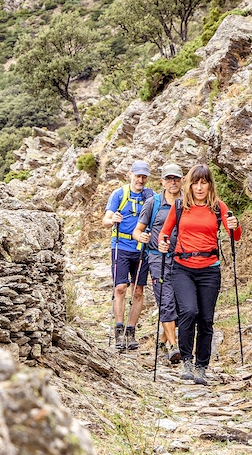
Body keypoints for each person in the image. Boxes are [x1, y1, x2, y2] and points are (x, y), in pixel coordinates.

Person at [157, 164, 241, 385]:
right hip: (182, 267)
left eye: (204, 182)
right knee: (188, 311)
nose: (200, 187)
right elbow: (164, 234)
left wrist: (235, 224)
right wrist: (163, 244)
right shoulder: (179, 206)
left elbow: (236, 235)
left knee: (205, 319)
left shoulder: (217, 207)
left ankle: (201, 367)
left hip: (209, 269)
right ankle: (187, 361)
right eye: (196, 182)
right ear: (189, 184)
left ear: (210, 185)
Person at [132, 163, 183, 366]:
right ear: (162, 181)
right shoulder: (153, 203)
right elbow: (138, 230)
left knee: (183, 303)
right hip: (156, 258)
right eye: (168, 179)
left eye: (176, 179)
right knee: (166, 299)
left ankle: (162, 341)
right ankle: (173, 345)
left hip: (183, 259)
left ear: (182, 181)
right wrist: (141, 237)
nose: (173, 182)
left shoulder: (187, 203)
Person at [102, 160, 155, 352]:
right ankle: (118, 328)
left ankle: (130, 332)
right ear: (130, 174)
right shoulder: (119, 194)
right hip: (121, 246)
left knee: (138, 291)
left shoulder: (151, 196)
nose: (140, 180)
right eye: (138, 175)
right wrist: (112, 219)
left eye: (144, 176)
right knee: (120, 288)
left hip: (142, 248)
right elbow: (105, 220)